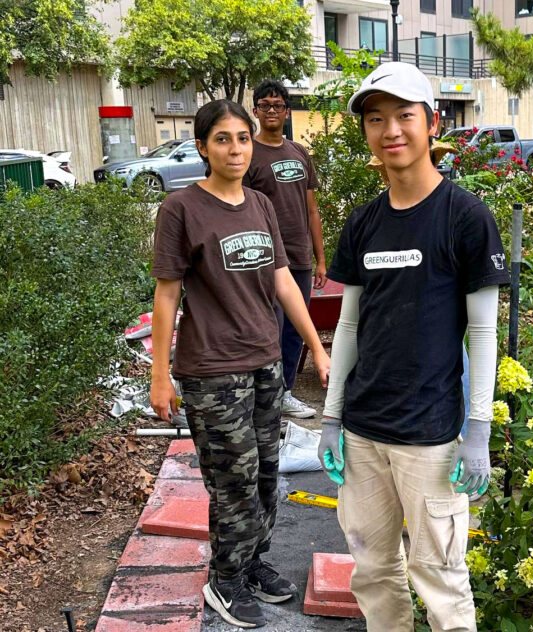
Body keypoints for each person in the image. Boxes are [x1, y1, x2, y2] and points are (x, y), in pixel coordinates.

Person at [318, 62, 509, 632]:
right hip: (363, 433)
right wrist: (331, 419)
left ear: (432, 123)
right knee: (374, 573)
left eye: (404, 115)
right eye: (376, 119)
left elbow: (482, 332)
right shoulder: (363, 224)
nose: (390, 130)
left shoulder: (466, 217)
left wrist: (478, 431)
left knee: (442, 582)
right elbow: (348, 326)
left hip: (431, 438)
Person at [149, 99, 330, 629]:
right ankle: (225, 580)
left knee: (268, 472)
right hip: (210, 369)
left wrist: (316, 346)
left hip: (264, 361)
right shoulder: (181, 209)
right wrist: (160, 376)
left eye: (243, 139)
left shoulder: (259, 202)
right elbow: (166, 295)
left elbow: (281, 280)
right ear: (203, 147)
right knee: (235, 479)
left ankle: (253, 562)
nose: (235, 148)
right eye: (223, 139)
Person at [243, 79, 326, 419]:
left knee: (295, 330)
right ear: (255, 111)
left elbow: (311, 209)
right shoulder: (249, 153)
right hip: (265, 261)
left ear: (288, 111)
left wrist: (320, 259)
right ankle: (263, 397)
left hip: (299, 257)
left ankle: (285, 393)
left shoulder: (299, 153)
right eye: (266, 105)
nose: (272, 110)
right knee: (269, 330)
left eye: (278, 105)